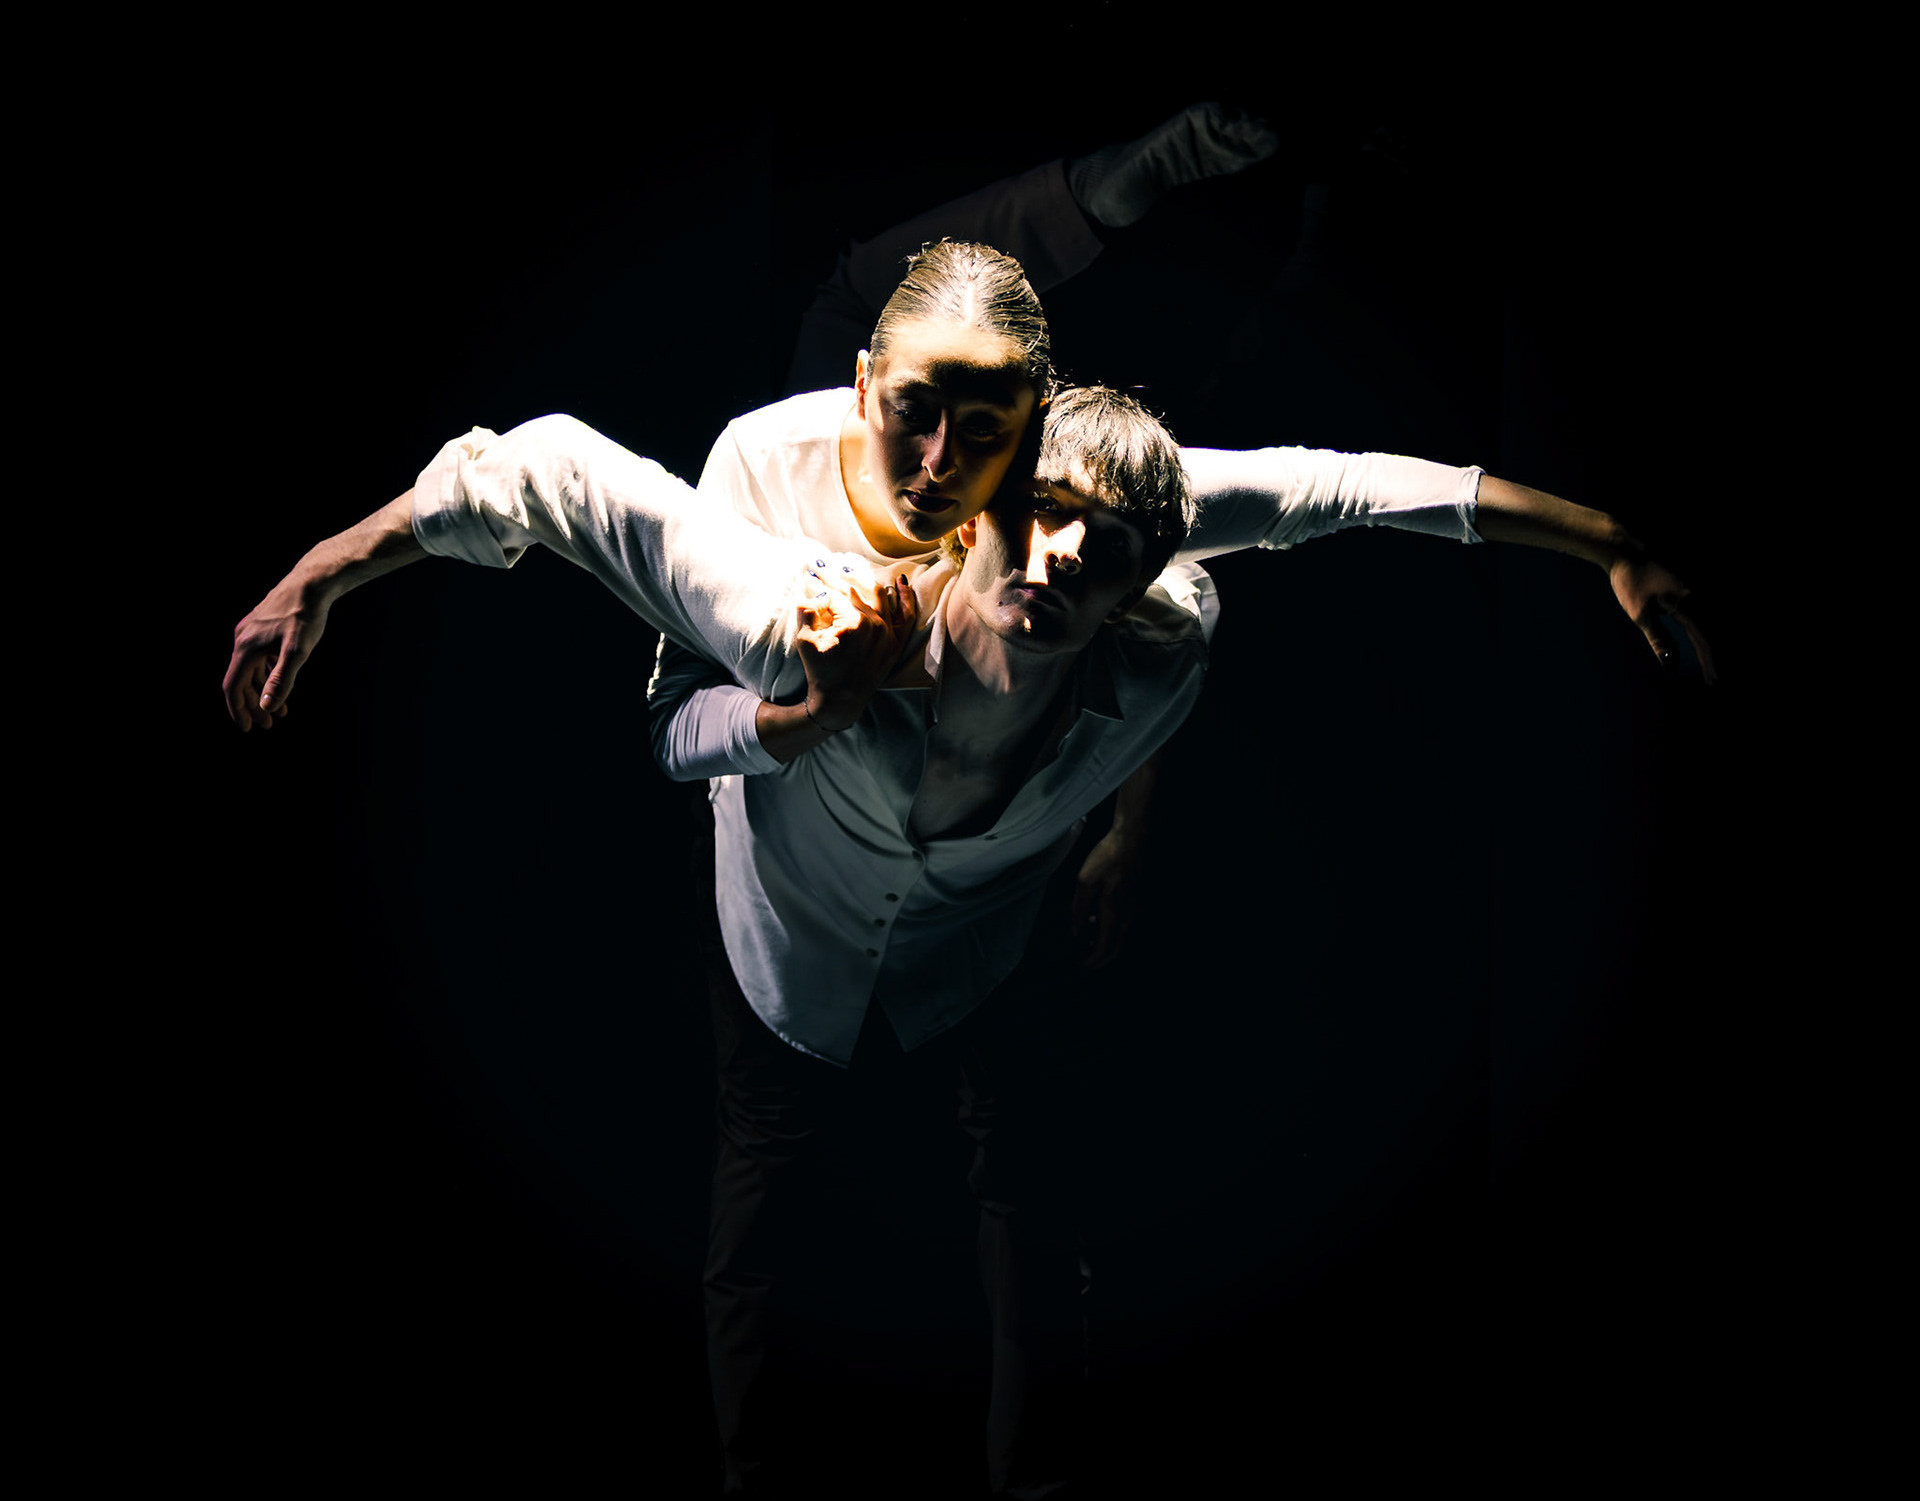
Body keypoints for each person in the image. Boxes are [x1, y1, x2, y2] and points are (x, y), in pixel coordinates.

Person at [227, 385, 1212, 1496]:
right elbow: (557, 489)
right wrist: (320, 570)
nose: (937, 465)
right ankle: (757, 1482)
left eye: (976, 428)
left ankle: (1035, 1481)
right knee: (762, 1197)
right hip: (784, 931)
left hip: (987, 933)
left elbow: (1244, 547)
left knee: (1026, 1178)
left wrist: (1126, 830)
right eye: (912, 411)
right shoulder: (788, 573)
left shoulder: (1142, 602)